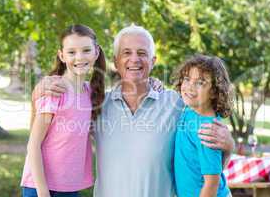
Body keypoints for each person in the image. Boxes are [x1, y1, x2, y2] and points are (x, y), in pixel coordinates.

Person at [32, 25, 234, 197]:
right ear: (116, 60)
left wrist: (228, 146)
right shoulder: (97, 103)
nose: (134, 59)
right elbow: (49, 135)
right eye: (127, 53)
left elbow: (203, 159)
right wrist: (38, 91)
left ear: (153, 61)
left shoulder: (177, 105)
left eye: (142, 53)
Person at [21, 24, 106, 197]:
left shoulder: (91, 92)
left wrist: (152, 84)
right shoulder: (54, 90)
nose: (79, 57)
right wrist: (43, 192)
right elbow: (33, 144)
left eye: (86, 50)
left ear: (96, 52)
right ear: (62, 55)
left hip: (68, 188)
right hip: (41, 187)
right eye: (72, 52)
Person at [174, 55, 233, 197]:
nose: (190, 87)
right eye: (187, 79)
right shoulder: (190, 110)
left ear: (214, 91)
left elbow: (212, 182)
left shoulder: (208, 130)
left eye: (200, 83)